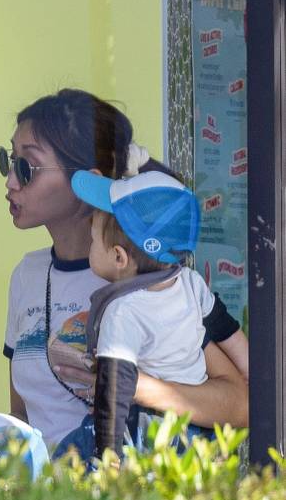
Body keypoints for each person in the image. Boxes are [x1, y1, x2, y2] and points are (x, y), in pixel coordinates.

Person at [0, 89, 247, 462]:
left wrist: (129, 387)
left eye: (27, 168)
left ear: (86, 183)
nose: (10, 181)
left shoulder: (136, 281)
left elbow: (239, 404)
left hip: (125, 490)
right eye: (9, 160)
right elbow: (27, 415)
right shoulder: (27, 275)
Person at [69, 169, 243, 458]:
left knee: (69, 452)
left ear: (118, 257)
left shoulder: (123, 310)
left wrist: (108, 460)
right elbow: (225, 329)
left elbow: (114, 387)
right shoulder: (191, 282)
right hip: (199, 431)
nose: (89, 244)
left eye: (92, 240)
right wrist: (250, 372)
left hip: (149, 428)